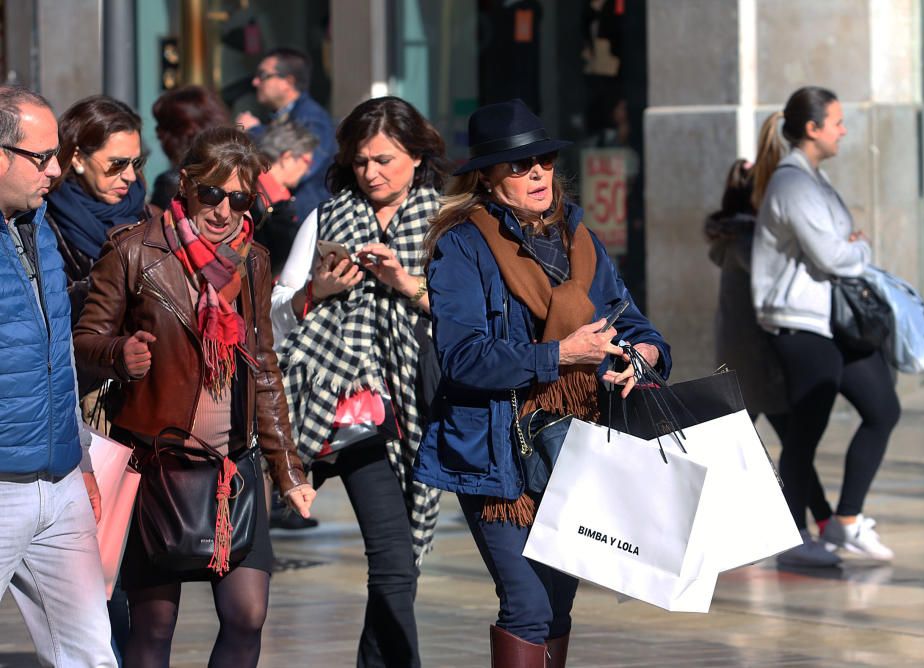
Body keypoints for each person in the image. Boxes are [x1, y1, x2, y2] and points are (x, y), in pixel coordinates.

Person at [413, 98, 670, 667]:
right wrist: (559, 354)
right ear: (486, 176)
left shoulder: (580, 238)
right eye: (519, 166)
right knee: (527, 604)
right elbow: (462, 357)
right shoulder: (462, 244)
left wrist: (645, 349)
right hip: (495, 453)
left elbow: (631, 320)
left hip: (575, 446)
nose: (537, 174)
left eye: (545, 161)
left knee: (556, 607)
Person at [73, 126, 316, 666]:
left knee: (248, 615)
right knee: (155, 628)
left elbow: (266, 370)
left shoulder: (252, 260)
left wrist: (289, 471)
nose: (223, 210)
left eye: (239, 198)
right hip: (157, 465)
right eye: (211, 192)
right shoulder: (135, 251)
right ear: (186, 184)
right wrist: (119, 353)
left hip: (235, 465)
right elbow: (83, 343)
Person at [271, 96, 447, 667]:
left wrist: (403, 281)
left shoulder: (448, 221)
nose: (371, 173)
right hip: (341, 403)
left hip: (416, 406)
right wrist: (317, 292)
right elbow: (277, 311)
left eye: (385, 160)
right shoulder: (326, 217)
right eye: (361, 161)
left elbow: (468, 315)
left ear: (417, 156)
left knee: (399, 561)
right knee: (393, 557)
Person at [751, 86, 901, 565]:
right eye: (836, 121)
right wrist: (861, 248)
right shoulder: (793, 183)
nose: (844, 129)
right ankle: (793, 538)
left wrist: (849, 247)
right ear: (812, 129)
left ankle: (847, 521)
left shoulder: (813, 179)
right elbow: (835, 253)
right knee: (804, 433)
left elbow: (838, 248)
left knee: (883, 408)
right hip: (799, 322)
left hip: (831, 319)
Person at [0, 85, 116, 667]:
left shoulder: (38, 223)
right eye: (40, 157)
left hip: (59, 477)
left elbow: (57, 353)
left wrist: (80, 457)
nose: (54, 171)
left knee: (92, 654)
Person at [704, 158, 836, 562]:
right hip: (757, 359)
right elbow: (779, 280)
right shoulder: (749, 242)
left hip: (742, 356)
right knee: (792, 443)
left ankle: (824, 521)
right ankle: (809, 525)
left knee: (787, 442)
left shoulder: (733, 237)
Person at [45, 95, 147, 321]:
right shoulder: (42, 222)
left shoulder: (146, 214)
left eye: (136, 163)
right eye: (117, 164)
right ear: (79, 158)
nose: (130, 176)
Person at [236, 47, 335, 221]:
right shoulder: (284, 116)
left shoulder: (312, 119)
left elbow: (302, 168)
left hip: (306, 218)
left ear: (288, 82)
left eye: (264, 75)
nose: (255, 82)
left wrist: (253, 131)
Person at [149, 85, 232, 218]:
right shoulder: (241, 171)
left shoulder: (171, 182)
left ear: (184, 131)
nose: (158, 135)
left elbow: (157, 232)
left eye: (162, 127)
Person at [252, 121, 319, 278]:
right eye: (307, 161)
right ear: (287, 157)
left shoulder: (254, 181)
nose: (308, 169)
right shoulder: (271, 196)